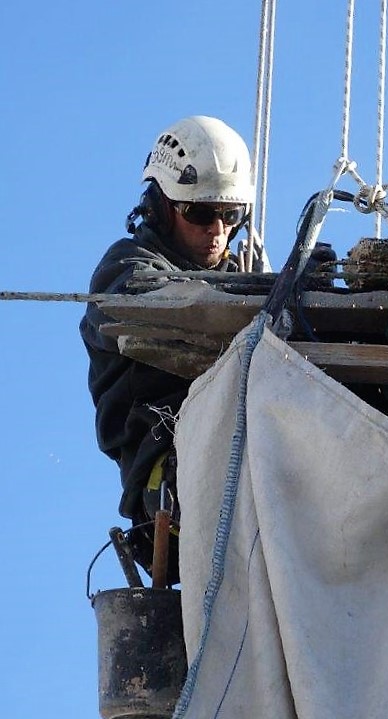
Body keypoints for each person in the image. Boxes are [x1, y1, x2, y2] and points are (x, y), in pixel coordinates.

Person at [80, 115, 257, 585]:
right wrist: (262, 294)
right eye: (199, 214)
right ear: (161, 205)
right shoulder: (127, 267)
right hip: (168, 482)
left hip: (241, 468)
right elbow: (168, 304)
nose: (216, 230)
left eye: (231, 215)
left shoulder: (243, 272)